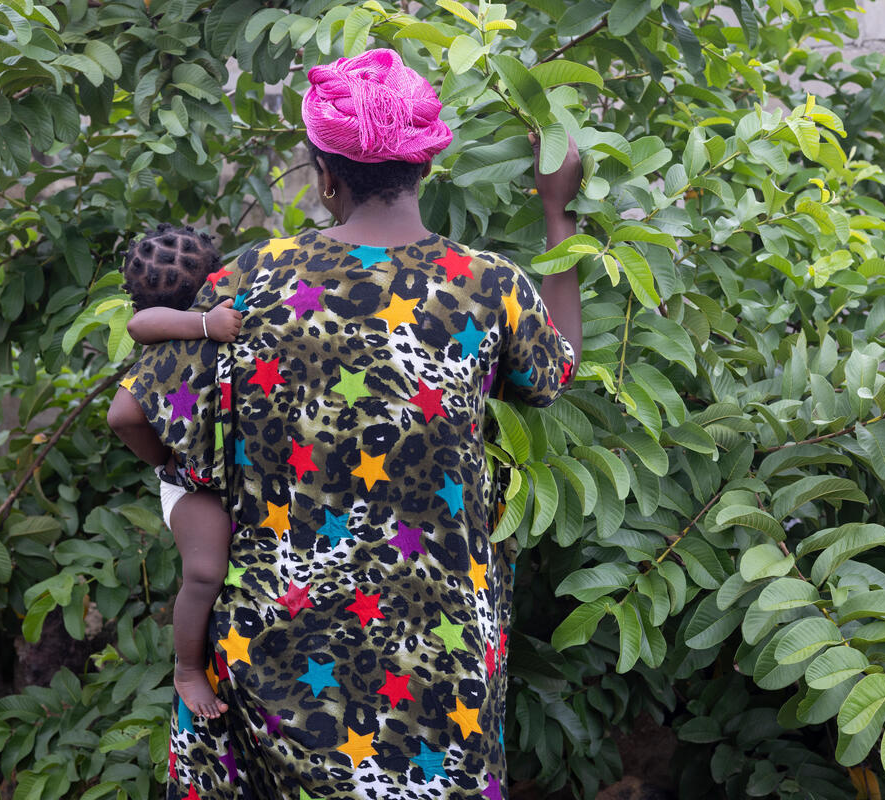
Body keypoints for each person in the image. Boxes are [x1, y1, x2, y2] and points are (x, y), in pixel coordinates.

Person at [109, 47, 583, 800]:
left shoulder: (250, 280)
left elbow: (137, 407)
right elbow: (554, 373)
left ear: (325, 176)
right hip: (441, 658)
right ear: (426, 166)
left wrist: (189, 489)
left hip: (279, 653)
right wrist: (559, 212)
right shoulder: (490, 287)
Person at [107, 223, 244, 719]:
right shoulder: (166, 335)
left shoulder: (228, 307)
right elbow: (122, 411)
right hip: (192, 484)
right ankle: (187, 669)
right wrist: (163, 462)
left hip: (230, 479)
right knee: (205, 573)